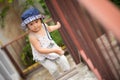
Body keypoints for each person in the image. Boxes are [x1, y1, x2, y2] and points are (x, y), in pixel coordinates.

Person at [20, 7, 70, 79]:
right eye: (31, 24)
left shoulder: (44, 26)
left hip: (50, 47)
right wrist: (55, 50)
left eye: (36, 22)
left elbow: (49, 29)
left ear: (40, 20)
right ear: (27, 26)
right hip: (42, 55)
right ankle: (59, 78)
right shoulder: (32, 36)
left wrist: (57, 26)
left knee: (62, 59)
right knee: (53, 68)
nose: (35, 25)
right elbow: (40, 49)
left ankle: (68, 72)